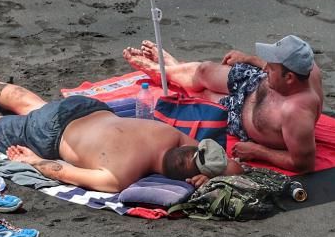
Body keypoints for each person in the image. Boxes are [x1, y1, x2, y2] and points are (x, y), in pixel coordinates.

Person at [0, 72, 242, 192]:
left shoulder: (176, 138)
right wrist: (33, 161)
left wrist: (207, 172)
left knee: (34, 105)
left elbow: (226, 164)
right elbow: (65, 172)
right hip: (53, 136)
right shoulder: (120, 176)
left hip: (86, 107)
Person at [123, 35, 323, 173]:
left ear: (289, 78)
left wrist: (258, 151)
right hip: (255, 83)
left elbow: (304, 164)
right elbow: (274, 67)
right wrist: (249, 59)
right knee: (204, 71)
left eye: (272, 66)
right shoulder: (305, 66)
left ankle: (169, 71)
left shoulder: (297, 113)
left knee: (206, 97)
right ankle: (170, 70)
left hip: (242, 116)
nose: (267, 67)